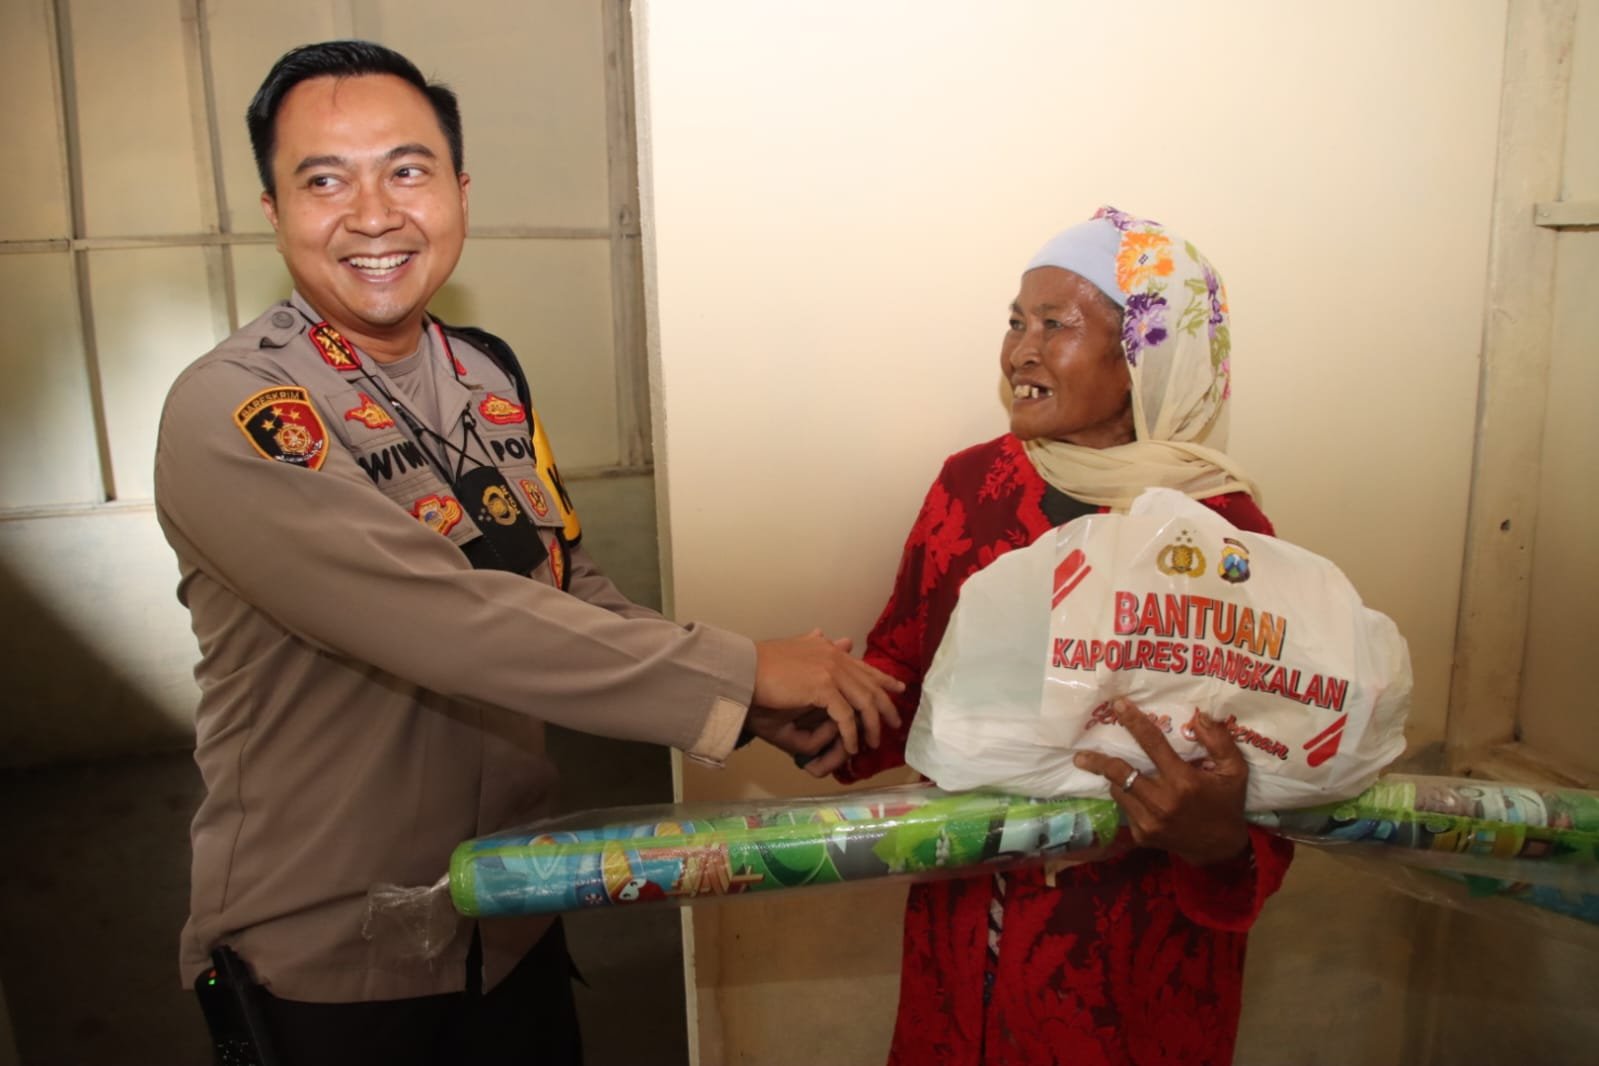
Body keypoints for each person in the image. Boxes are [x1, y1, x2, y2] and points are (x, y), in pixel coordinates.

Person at [154, 40, 901, 1065]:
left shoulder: (484, 375)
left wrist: (741, 709)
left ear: (458, 192)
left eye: (406, 170)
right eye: (324, 181)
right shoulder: (231, 409)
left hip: (510, 914)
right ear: (273, 211)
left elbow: (562, 584)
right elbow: (440, 617)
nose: (372, 214)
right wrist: (737, 669)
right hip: (329, 958)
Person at [828, 207, 1294, 1065]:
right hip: (963, 928)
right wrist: (818, 707)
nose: (1021, 352)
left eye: (1055, 325)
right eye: (1015, 322)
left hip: (1130, 961)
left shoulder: (1222, 534)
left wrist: (1222, 842)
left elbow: (1274, 762)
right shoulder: (972, 488)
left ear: (1142, 357)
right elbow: (908, 666)